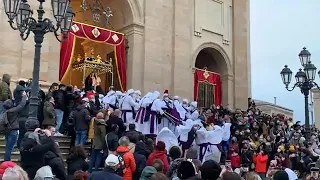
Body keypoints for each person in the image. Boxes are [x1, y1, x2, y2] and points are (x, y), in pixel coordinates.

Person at [3, 94, 27, 161]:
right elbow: (22, 105)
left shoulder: (5, 111)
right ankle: (7, 161)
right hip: (13, 131)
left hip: (7, 130)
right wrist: (24, 96)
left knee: (8, 146)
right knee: (10, 148)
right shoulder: (13, 111)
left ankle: (6, 160)